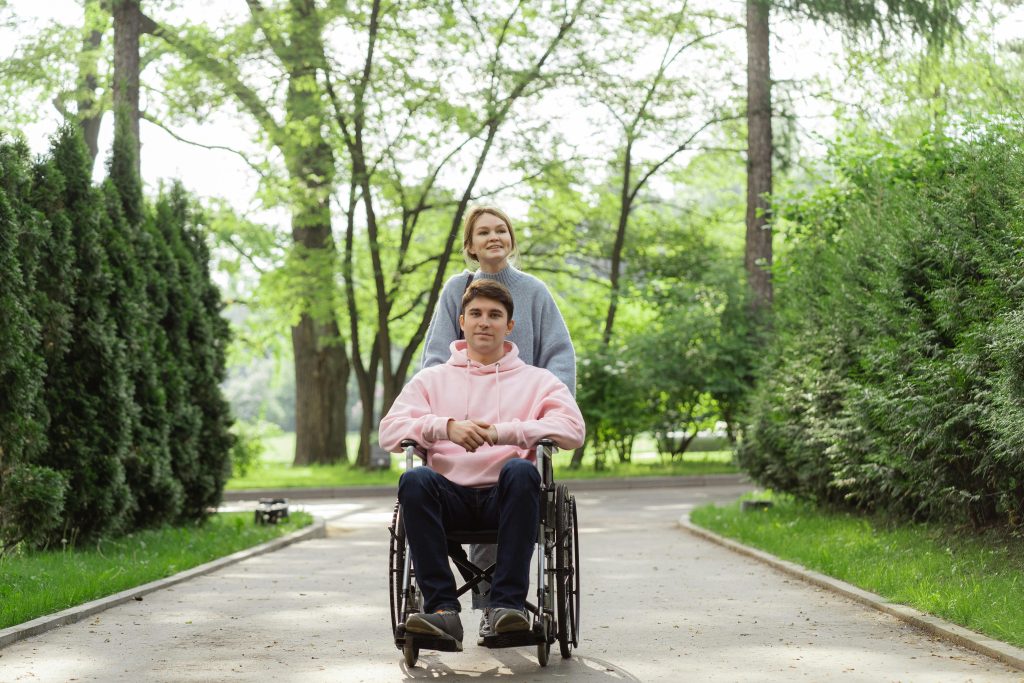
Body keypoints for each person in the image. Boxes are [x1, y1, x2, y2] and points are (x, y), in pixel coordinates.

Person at [380, 280, 585, 650]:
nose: (484, 322)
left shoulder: (538, 381)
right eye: (475, 314)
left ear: (509, 325)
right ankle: (442, 610)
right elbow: (389, 431)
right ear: (462, 322)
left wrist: (503, 433)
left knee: (522, 470)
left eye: (494, 315)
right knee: (414, 479)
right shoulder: (431, 380)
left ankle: (507, 607)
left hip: (508, 500)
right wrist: (446, 428)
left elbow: (573, 430)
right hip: (447, 500)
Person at [420, 205, 577, 636]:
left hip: (521, 422)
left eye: (501, 230)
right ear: (470, 246)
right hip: (464, 427)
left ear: (511, 239)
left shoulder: (534, 291)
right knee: (448, 490)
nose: (494, 237)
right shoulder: (457, 289)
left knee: (515, 482)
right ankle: (485, 609)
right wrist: (443, 416)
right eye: (484, 232)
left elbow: (559, 355)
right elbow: (435, 357)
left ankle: (500, 609)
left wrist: (548, 411)